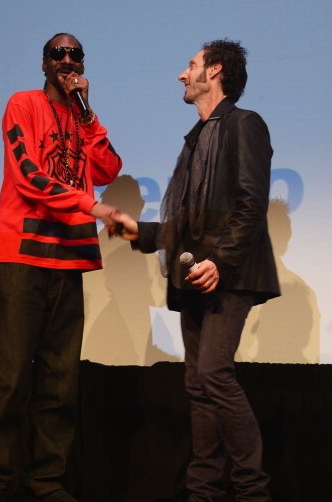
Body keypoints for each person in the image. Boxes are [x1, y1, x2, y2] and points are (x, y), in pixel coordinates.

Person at [111, 39, 280, 501]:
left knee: (214, 374)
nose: (182, 75)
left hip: (230, 274)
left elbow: (250, 204)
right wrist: (139, 233)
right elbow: (188, 224)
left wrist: (220, 262)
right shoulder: (196, 139)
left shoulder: (245, 125)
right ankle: (203, 491)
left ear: (216, 71)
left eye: (190, 65)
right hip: (196, 276)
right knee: (198, 383)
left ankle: (251, 491)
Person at [0, 32, 122, 502]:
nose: (68, 59)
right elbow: (29, 175)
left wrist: (88, 114)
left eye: (76, 54)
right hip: (22, 258)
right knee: (11, 377)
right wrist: (92, 208)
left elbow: (109, 168)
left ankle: (46, 483)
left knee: (60, 382)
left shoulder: (81, 119)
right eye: (58, 53)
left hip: (68, 258)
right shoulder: (23, 104)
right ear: (43, 64)